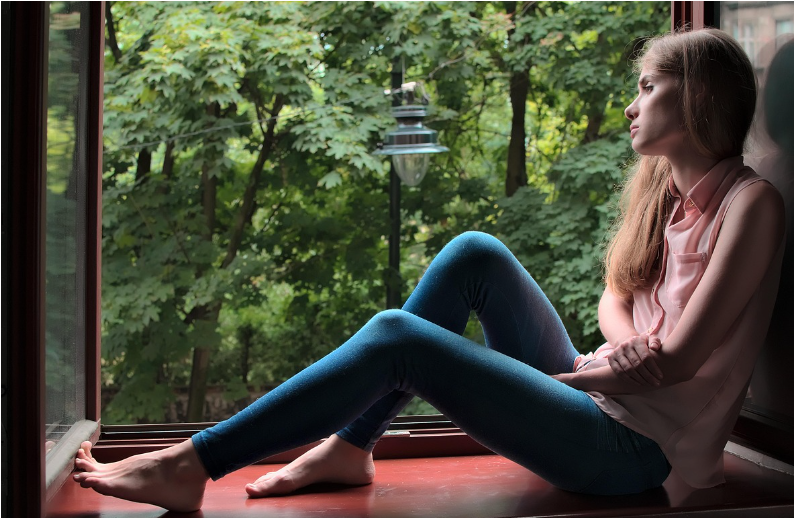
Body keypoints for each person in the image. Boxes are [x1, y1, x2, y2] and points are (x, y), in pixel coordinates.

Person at [73, 28, 785, 512]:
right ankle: (351, 445)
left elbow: (676, 362)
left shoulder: (751, 204)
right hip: (603, 393)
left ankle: (193, 463)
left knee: (398, 338)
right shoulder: (665, 191)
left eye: (648, 87)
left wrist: (575, 379)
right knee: (473, 252)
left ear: (697, 98)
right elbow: (616, 296)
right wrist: (620, 345)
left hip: (641, 454)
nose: (630, 106)